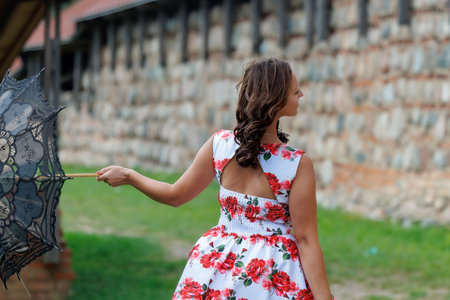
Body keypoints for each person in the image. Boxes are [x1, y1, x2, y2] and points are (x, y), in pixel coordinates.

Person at [97, 58, 334, 300]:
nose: (301, 94)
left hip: (217, 264)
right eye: (295, 91)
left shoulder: (220, 144)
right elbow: (305, 241)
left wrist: (129, 175)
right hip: (272, 274)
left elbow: (174, 195)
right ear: (276, 99)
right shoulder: (297, 164)